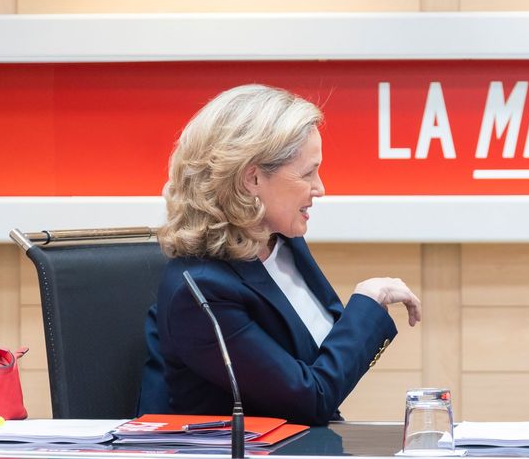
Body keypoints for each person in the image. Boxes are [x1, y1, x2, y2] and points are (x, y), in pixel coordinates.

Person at [140, 84, 421, 425]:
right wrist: (368, 301)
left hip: (303, 457)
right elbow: (310, 399)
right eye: (307, 173)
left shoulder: (282, 241)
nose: (320, 188)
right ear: (252, 178)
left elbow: (325, 364)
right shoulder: (198, 290)